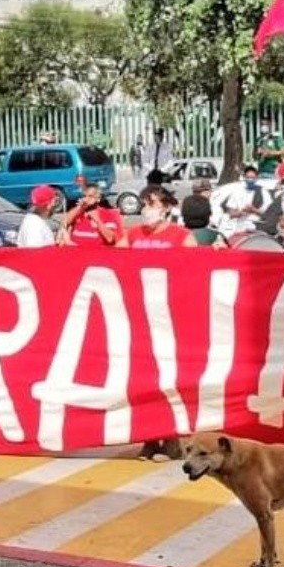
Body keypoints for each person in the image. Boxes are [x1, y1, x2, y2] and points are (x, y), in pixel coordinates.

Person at [119, 185, 195, 462]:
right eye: (144, 203)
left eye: (152, 203)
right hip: (139, 320)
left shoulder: (183, 237)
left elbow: (192, 275)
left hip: (170, 319)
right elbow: (109, 265)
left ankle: (172, 438)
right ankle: (149, 438)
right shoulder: (131, 235)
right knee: (142, 380)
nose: (146, 209)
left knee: (169, 380)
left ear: (167, 207)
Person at [217, 164, 271, 237]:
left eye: (252, 178)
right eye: (248, 177)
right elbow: (230, 212)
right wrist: (240, 213)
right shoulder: (237, 191)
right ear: (244, 178)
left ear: (256, 178)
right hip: (240, 229)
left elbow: (269, 213)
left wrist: (253, 210)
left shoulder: (263, 192)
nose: (250, 180)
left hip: (257, 229)